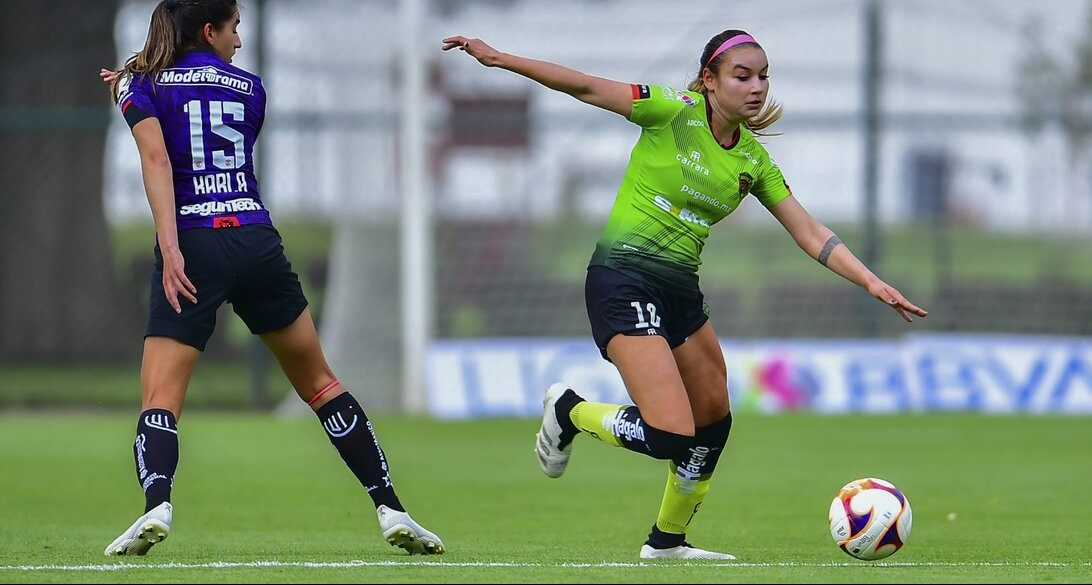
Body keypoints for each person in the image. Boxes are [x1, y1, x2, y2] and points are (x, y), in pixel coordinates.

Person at [443, 30, 927, 560]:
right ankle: (569, 411)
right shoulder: (671, 111)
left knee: (713, 419)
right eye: (742, 75)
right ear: (708, 80)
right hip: (622, 278)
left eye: (763, 76)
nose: (756, 86)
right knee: (671, 434)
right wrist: (499, 60)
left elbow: (809, 232)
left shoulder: (753, 160)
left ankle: (666, 542)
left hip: (680, 291)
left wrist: (872, 282)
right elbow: (584, 87)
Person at [98, 0, 443, 557]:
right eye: (234, 27)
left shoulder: (145, 85)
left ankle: (156, 504)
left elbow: (159, 159)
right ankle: (390, 506)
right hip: (256, 239)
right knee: (322, 383)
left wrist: (127, 92)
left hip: (193, 241)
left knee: (160, 396)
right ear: (209, 31)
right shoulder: (252, 88)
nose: (241, 36)